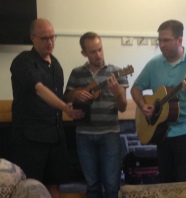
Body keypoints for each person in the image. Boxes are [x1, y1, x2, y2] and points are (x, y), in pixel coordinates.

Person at [130, 19, 186, 183]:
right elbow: (135, 88)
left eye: (166, 40)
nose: (161, 45)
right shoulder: (154, 64)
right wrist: (142, 105)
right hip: (162, 133)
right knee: (166, 185)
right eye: (159, 40)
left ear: (179, 40)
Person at [10, 18, 84, 198]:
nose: (50, 42)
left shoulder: (56, 64)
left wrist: (75, 99)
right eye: (44, 38)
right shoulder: (23, 61)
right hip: (31, 138)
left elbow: (59, 95)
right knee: (31, 188)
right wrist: (65, 108)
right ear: (32, 38)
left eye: (52, 37)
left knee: (55, 186)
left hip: (56, 136)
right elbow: (39, 89)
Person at [63, 32, 128, 198]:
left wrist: (117, 93)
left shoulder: (117, 72)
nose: (98, 54)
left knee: (112, 186)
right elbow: (67, 97)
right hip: (84, 134)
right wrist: (76, 95)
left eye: (100, 49)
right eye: (93, 52)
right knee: (92, 187)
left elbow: (122, 107)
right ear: (84, 53)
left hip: (110, 134)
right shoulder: (77, 73)